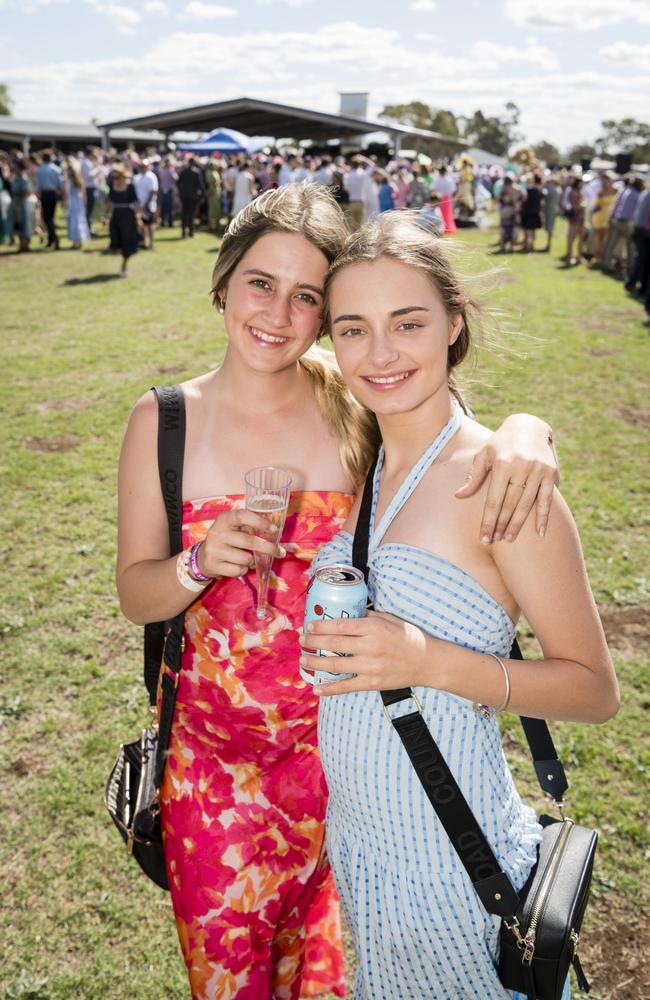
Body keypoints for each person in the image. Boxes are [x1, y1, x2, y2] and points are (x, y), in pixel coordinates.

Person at [116, 184, 561, 1000]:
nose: (278, 313)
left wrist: (530, 429)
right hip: (214, 782)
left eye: (307, 296)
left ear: (324, 316)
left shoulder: (347, 400)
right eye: (260, 283)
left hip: (349, 779)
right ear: (223, 284)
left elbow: (450, 429)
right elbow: (137, 596)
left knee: (340, 980)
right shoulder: (164, 421)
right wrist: (195, 564)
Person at [302, 211, 619, 1000]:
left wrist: (427, 661)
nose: (379, 354)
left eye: (408, 323)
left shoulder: (501, 481)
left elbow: (592, 689)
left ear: (453, 321)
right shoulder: (365, 456)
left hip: (450, 866)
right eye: (353, 329)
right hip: (363, 848)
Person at [106, 163, 140, 276]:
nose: (114, 179)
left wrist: (138, 218)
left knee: (127, 240)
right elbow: (110, 201)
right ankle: (124, 257)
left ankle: (124, 264)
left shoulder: (130, 186)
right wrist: (106, 215)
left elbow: (135, 203)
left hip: (127, 216)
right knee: (115, 239)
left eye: (116, 177)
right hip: (116, 215)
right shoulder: (112, 185)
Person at [35, 150, 63, 249]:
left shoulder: (40, 170)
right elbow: (60, 184)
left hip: (46, 195)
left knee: (47, 218)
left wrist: (37, 197)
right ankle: (51, 240)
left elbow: (38, 186)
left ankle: (54, 239)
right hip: (53, 194)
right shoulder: (56, 169)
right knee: (50, 218)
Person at [589, 174, 617, 268]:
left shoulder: (616, 191)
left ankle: (602, 258)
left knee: (606, 239)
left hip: (610, 217)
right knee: (601, 238)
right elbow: (595, 205)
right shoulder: (601, 192)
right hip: (601, 217)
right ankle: (597, 257)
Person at [64, 156, 90, 249]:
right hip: (78, 202)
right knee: (79, 220)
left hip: (73, 202)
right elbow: (84, 194)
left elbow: (66, 193)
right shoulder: (79, 180)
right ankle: (78, 242)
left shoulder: (70, 181)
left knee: (74, 221)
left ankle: (76, 242)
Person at [133, 158, 159, 250]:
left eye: (144, 166)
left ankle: (151, 243)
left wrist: (146, 205)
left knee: (150, 224)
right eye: (141, 166)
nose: (142, 168)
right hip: (139, 205)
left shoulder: (151, 177)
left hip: (149, 205)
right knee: (141, 225)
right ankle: (143, 242)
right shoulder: (137, 177)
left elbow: (153, 192)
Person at [177, 156, 205, 238]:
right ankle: (191, 232)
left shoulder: (183, 172)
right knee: (191, 214)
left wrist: (181, 192)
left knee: (184, 214)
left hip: (185, 196)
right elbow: (201, 186)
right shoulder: (196, 172)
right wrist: (199, 195)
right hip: (193, 196)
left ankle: (183, 232)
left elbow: (178, 183)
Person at [520, 172, 545, 252]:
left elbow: (523, 200)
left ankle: (527, 245)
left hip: (528, 212)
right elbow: (542, 204)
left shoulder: (528, 191)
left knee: (527, 230)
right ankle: (532, 245)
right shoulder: (539, 192)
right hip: (535, 212)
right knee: (533, 230)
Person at [565, 176, 586, 266]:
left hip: (580, 218)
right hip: (575, 217)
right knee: (571, 237)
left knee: (580, 238)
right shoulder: (573, 193)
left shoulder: (579, 192)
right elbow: (575, 206)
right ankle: (569, 256)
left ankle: (579, 256)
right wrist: (583, 205)